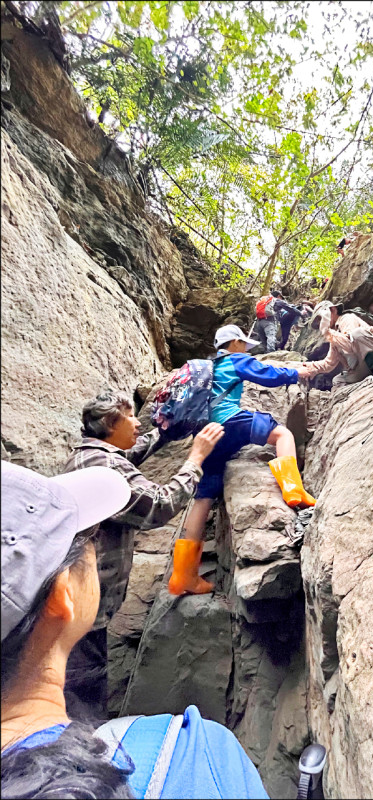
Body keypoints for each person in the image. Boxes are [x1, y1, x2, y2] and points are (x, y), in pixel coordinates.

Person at [0, 461, 269, 799]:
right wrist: (194, 461)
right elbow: (158, 505)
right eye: (85, 537)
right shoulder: (196, 754)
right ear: (61, 594)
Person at [62, 392, 224, 717]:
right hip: (84, 609)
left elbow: (127, 456)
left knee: (78, 682)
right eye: (131, 417)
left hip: (74, 600)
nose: (139, 422)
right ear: (111, 424)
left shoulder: (87, 456)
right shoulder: (107, 467)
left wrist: (163, 433)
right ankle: (83, 755)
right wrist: (195, 458)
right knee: (85, 695)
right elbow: (159, 506)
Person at [168, 324, 315, 596]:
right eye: (244, 344)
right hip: (229, 422)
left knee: (203, 497)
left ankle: (184, 575)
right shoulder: (235, 359)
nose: (246, 348)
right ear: (235, 343)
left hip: (206, 434)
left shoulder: (207, 369)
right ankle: (294, 492)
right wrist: (297, 372)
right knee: (282, 434)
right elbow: (267, 375)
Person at [301, 300, 373, 387]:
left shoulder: (347, 319)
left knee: (357, 334)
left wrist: (327, 332)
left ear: (333, 310)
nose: (319, 323)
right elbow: (329, 363)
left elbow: (349, 344)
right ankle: (365, 386)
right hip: (364, 366)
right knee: (337, 380)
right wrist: (309, 367)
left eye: (320, 318)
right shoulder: (334, 334)